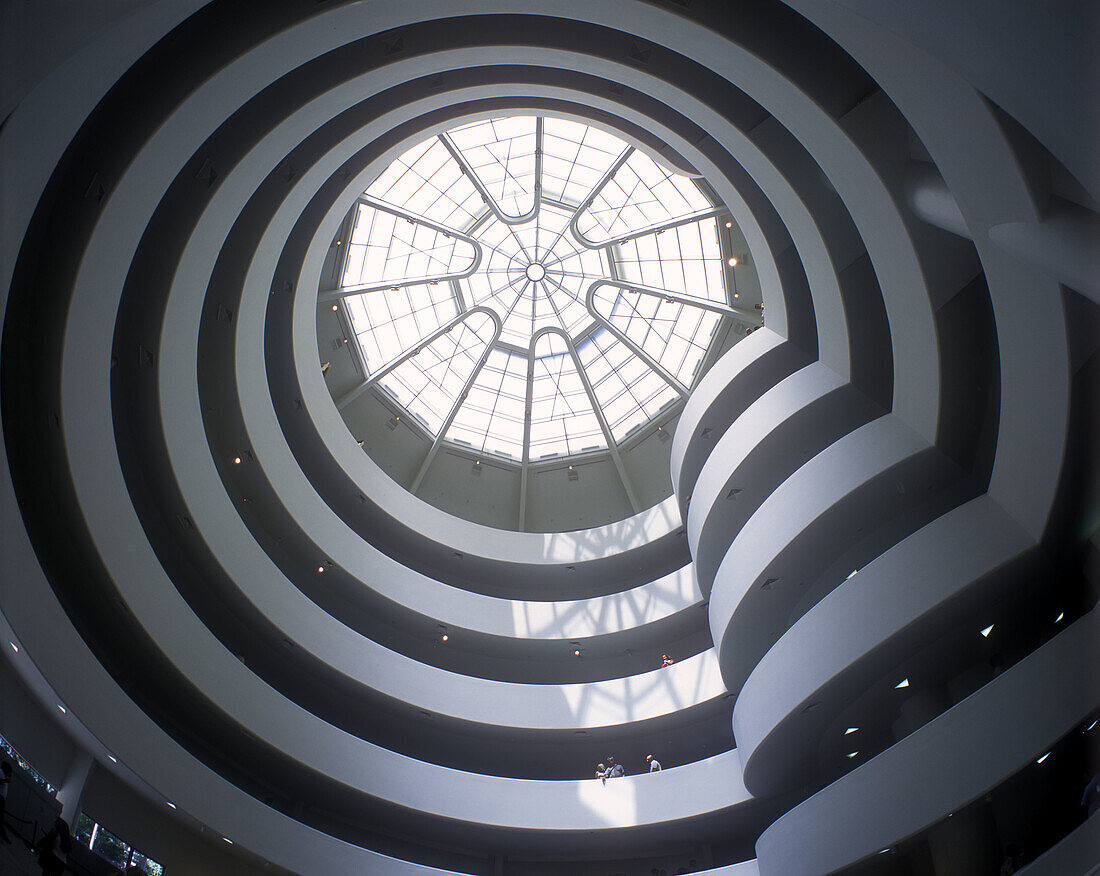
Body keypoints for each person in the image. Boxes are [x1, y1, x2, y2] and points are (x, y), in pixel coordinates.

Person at [0, 761, 11, 843]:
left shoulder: (3, 774)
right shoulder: (0, 772)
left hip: (2, 797)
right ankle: (3, 833)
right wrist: (5, 780)